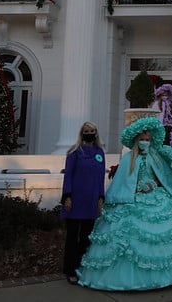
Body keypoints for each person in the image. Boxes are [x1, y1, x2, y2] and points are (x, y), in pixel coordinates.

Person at [77, 117, 172, 291]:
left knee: (165, 231)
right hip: (133, 199)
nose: (144, 142)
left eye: (147, 140)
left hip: (154, 196)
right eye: (142, 140)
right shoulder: (129, 158)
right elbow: (124, 181)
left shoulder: (155, 157)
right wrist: (136, 189)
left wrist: (153, 184)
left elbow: (161, 176)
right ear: (136, 141)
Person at [60, 122, 106, 285]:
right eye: (87, 131)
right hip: (74, 200)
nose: (90, 133)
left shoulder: (99, 152)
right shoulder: (74, 152)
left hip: (91, 201)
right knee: (72, 237)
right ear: (82, 133)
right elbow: (68, 176)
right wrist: (67, 197)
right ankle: (70, 269)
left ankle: (80, 265)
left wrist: (101, 197)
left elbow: (101, 177)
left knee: (86, 237)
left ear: (96, 133)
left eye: (92, 131)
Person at [152, 84, 172, 151]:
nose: (165, 96)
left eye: (166, 94)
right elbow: (155, 114)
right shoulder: (157, 103)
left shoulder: (170, 102)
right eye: (163, 95)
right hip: (161, 123)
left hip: (170, 123)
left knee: (171, 137)